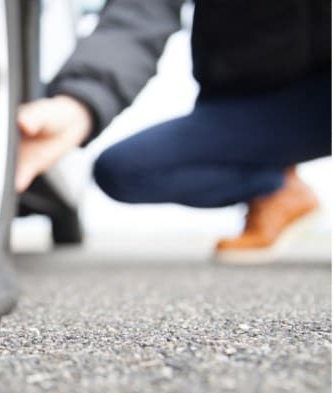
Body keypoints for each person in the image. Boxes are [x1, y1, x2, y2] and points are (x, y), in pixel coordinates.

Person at [17, 0, 331, 262]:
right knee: (123, 170)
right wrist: (80, 102)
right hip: (245, 106)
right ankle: (278, 192)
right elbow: (139, 13)